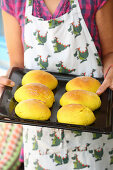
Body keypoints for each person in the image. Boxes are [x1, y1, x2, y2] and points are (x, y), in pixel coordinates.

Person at [0, 0, 113, 169]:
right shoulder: (13, 2)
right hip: (40, 140)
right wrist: (5, 84)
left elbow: (110, 52)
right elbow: (17, 64)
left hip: (94, 133)